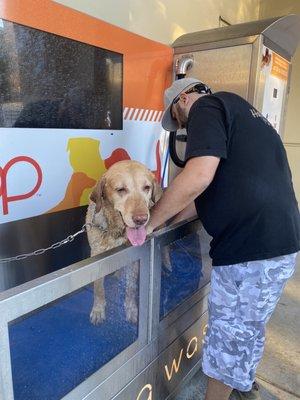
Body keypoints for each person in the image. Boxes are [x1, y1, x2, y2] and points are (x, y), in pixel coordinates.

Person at [146, 77, 300, 400]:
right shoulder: (241, 112)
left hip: (249, 249)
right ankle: (243, 389)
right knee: (247, 330)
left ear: (184, 99)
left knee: (227, 344)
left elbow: (198, 176)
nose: (181, 127)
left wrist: (149, 224)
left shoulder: (206, 107)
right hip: (278, 243)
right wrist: (166, 221)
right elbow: (203, 198)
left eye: (176, 119)